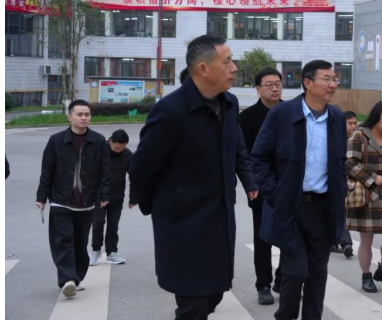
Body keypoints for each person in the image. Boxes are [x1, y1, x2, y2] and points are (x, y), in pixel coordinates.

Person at [130, 34, 258, 320]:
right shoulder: (171, 111)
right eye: (227, 62)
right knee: (193, 305)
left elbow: (237, 150)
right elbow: (141, 168)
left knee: (214, 294)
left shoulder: (229, 104)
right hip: (183, 224)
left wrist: (249, 183)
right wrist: (161, 208)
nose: (234, 68)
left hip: (220, 220)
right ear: (203, 68)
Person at [252, 60, 348, 320]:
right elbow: (259, 157)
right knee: (295, 272)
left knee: (317, 273)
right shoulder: (282, 114)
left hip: (322, 207)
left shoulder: (337, 118)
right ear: (307, 83)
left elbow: (340, 162)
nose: (332, 85)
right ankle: (285, 317)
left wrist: (340, 191)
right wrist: (274, 193)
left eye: (334, 79)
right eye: (326, 79)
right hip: (290, 205)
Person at [36, 100, 111, 299]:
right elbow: (47, 171)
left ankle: (76, 277)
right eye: (79, 114)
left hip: (86, 203)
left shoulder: (99, 141)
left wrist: (105, 195)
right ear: (69, 117)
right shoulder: (56, 141)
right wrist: (41, 196)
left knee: (80, 244)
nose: (84, 118)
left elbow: (105, 171)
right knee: (63, 240)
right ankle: (67, 279)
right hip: (60, 200)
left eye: (87, 114)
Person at [346, 101, 382, 293]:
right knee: (367, 239)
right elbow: (350, 162)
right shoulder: (360, 135)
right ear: (375, 117)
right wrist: (373, 178)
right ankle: (366, 276)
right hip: (367, 193)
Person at [239, 67, 284, 305]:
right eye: (269, 85)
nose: (275, 89)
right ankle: (263, 285)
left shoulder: (292, 111)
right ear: (258, 89)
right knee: (263, 237)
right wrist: (251, 185)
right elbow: (243, 156)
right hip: (261, 187)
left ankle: (282, 279)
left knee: (292, 236)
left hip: (290, 185)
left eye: (278, 84)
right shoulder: (246, 118)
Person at [89, 129, 137, 266]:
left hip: (117, 195)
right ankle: (96, 250)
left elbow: (134, 177)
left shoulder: (128, 155)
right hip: (98, 195)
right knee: (98, 223)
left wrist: (133, 198)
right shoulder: (100, 152)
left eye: (122, 148)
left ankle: (112, 253)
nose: (119, 151)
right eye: (116, 148)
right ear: (110, 141)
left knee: (113, 225)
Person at [332, 111, 359, 259]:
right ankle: (344, 242)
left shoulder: (361, 139)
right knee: (337, 211)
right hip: (337, 180)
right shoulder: (336, 138)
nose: (353, 126)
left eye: (355, 123)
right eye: (350, 123)